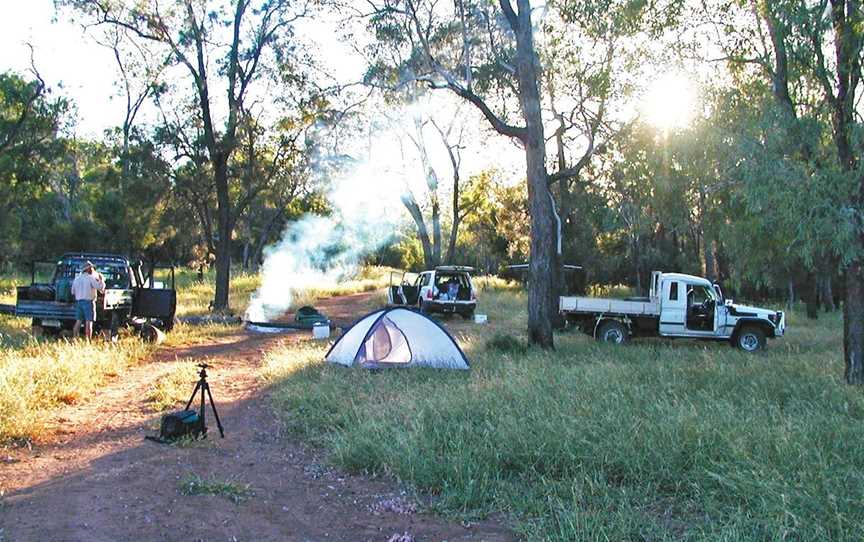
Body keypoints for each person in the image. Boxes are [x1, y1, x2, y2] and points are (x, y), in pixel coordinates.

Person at [71, 261, 105, 341]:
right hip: (88, 302)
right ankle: (88, 340)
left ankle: (75, 338)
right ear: (89, 269)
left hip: (79, 302)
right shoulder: (91, 278)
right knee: (89, 322)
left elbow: (72, 291)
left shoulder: (77, 278)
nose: (93, 269)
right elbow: (100, 287)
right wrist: (101, 280)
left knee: (78, 321)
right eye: (92, 268)